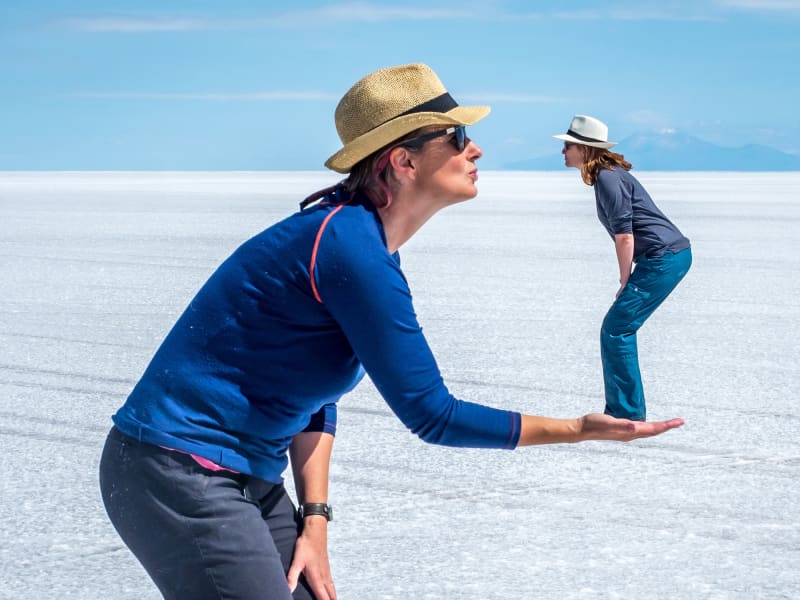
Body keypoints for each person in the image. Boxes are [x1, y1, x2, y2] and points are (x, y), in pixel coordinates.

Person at [99, 65, 684, 600]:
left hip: (246, 474)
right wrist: (579, 430)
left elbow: (314, 398)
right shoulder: (348, 248)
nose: (474, 147)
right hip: (175, 471)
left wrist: (316, 518)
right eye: (456, 137)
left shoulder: (360, 243)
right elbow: (434, 415)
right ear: (403, 161)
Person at [554, 115, 692, 422]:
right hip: (664, 257)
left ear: (584, 149)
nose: (562, 152)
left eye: (567, 146)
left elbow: (625, 235)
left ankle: (626, 414)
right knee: (616, 329)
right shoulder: (606, 175)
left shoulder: (607, 177)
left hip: (664, 258)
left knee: (616, 330)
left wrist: (625, 279)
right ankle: (625, 411)